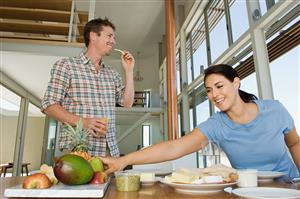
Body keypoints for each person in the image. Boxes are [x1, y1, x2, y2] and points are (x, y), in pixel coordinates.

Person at [101, 64, 300, 178]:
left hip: (290, 186)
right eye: (209, 90)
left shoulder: (274, 110)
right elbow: (173, 148)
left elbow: (294, 143)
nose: (214, 95)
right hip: (248, 190)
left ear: (236, 83)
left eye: (220, 86)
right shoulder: (216, 125)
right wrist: (123, 161)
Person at [41, 17, 135, 157]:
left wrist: (129, 71)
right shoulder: (66, 66)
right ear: (93, 36)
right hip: (78, 151)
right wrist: (83, 122)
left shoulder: (112, 74)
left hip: (109, 152)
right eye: (109, 36)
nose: (113, 41)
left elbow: (127, 103)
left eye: (114, 38)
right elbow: (48, 105)